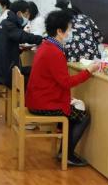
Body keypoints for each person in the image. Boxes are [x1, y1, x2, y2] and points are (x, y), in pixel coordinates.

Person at [26, 10, 100, 166]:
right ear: (59, 31)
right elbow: (66, 82)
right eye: (69, 29)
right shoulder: (54, 52)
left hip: (38, 99)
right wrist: (88, 71)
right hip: (44, 104)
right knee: (83, 116)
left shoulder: (46, 46)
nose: (71, 33)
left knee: (74, 111)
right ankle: (67, 154)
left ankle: (65, 152)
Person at [0, 0, 43, 87]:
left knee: (32, 71)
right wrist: (41, 39)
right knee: (35, 75)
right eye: (26, 14)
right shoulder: (9, 25)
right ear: (19, 13)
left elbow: (7, 48)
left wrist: (19, 49)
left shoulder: (5, 23)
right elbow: (23, 36)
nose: (27, 17)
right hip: (2, 74)